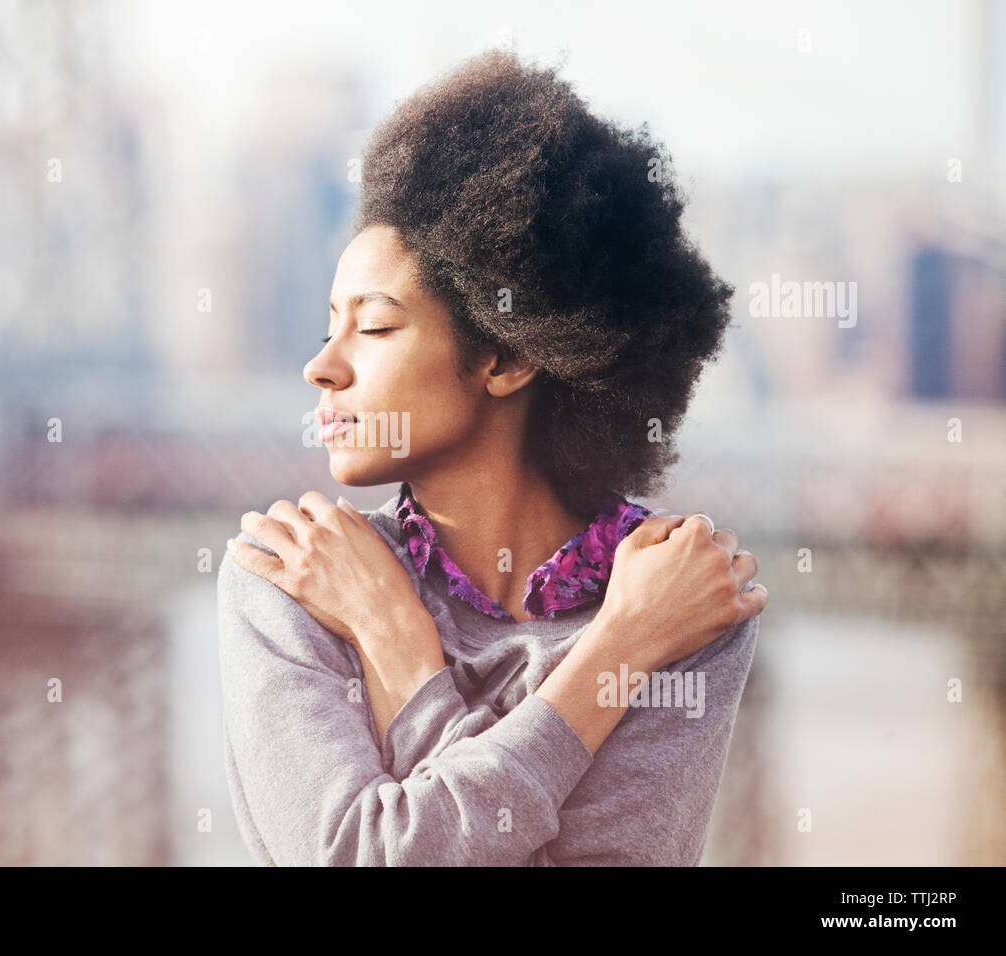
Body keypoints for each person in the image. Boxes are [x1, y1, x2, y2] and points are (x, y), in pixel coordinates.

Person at [218, 46, 767, 866]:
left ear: (506, 358)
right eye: (327, 324)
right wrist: (614, 655)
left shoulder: (678, 601)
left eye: (372, 326)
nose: (322, 366)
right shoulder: (294, 578)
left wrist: (402, 658)